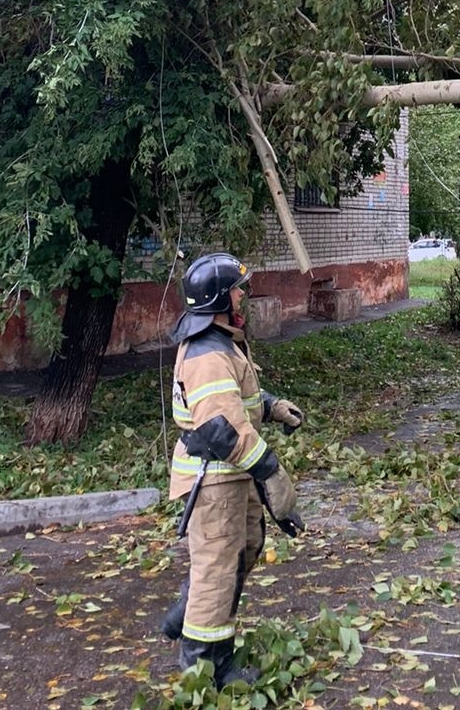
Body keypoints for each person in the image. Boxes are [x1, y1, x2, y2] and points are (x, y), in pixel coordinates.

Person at [161, 251, 306, 685]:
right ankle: (207, 666)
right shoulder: (207, 352)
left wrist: (270, 406)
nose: (244, 295)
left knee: (241, 553)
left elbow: (230, 401)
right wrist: (271, 471)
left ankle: (188, 612)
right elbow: (222, 430)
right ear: (222, 298)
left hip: (229, 478)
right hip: (215, 481)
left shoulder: (220, 341)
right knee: (219, 568)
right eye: (239, 289)